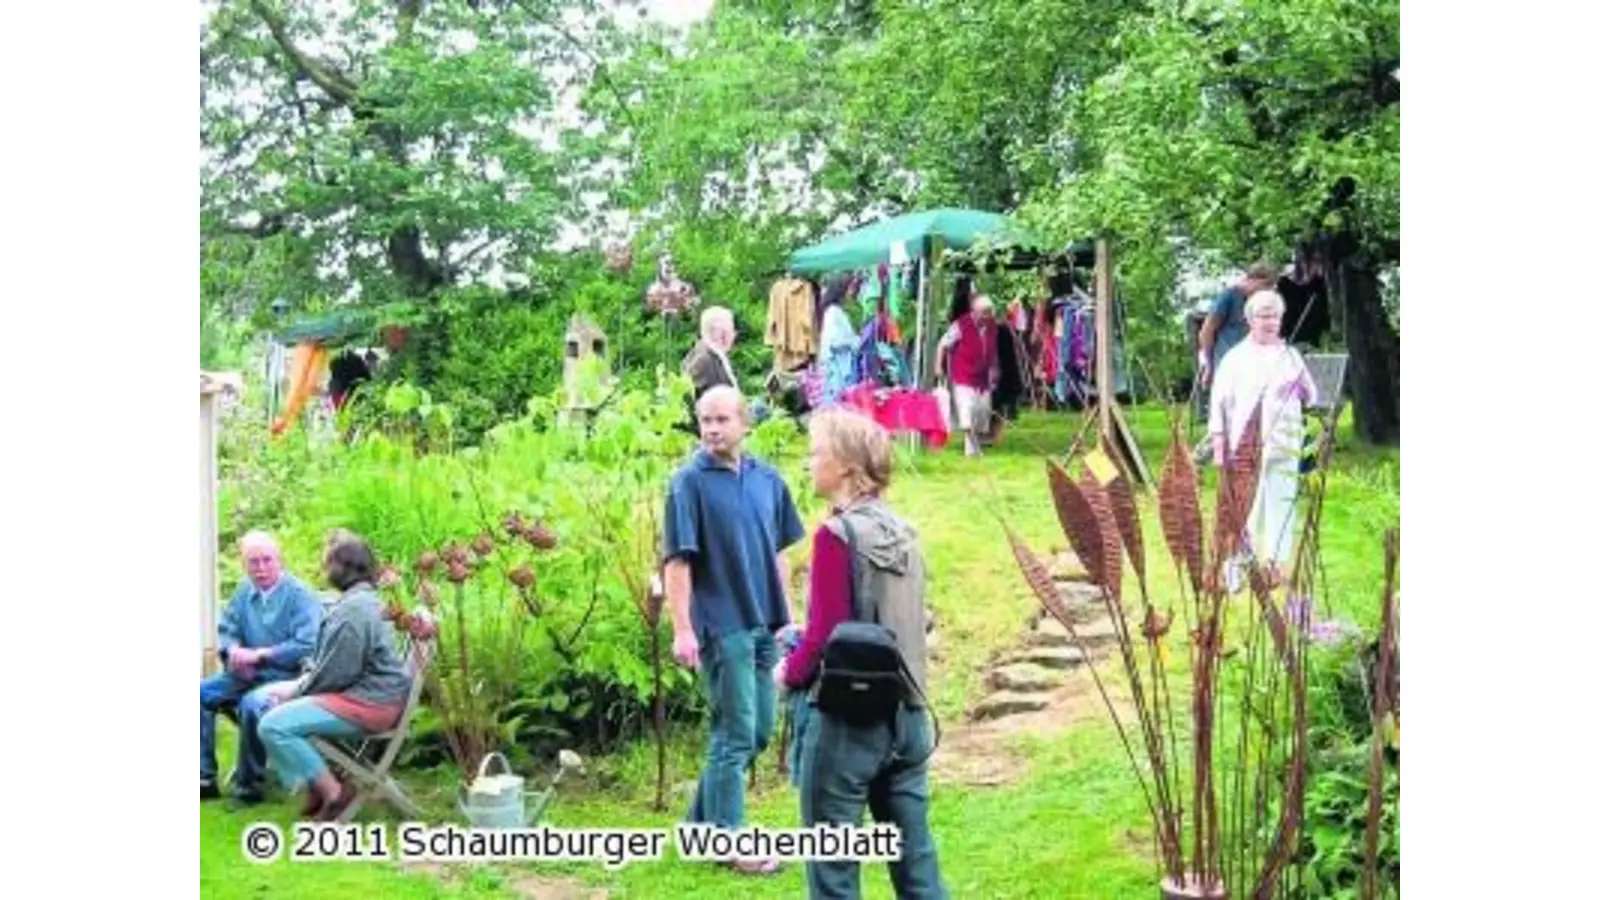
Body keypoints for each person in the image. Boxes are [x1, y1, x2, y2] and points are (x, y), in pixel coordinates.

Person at [776, 406, 947, 898]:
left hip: (850, 724)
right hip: (911, 717)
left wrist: (786, 674)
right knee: (916, 865)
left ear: (847, 466)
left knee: (833, 872)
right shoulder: (905, 532)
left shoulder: (837, 536)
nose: (809, 462)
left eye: (816, 453)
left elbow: (825, 635)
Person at [662, 385, 808, 875]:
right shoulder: (688, 483)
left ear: (745, 423)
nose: (712, 429)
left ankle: (697, 828)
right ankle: (729, 842)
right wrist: (683, 630)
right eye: (705, 420)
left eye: (722, 419)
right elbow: (677, 562)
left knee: (759, 731)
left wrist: (788, 618)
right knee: (733, 733)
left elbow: (780, 553)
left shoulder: (768, 480)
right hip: (721, 626)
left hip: (765, 624)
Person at [256, 530, 415, 821]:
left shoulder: (354, 612)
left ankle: (334, 793)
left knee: (273, 724)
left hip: (370, 705)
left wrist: (295, 691)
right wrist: (299, 688)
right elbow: (334, 670)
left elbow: (335, 674)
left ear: (343, 568)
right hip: (371, 697)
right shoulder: (366, 601)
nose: (323, 569)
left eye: (327, 563)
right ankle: (318, 783)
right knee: (278, 710)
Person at [201, 531, 322, 806]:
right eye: (253, 562)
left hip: (287, 677)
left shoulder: (300, 596)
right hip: (245, 674)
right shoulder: (244, 592)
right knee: (200, 695)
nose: (261, 568)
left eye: (267, 560)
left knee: (251, 705)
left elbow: (307, 643)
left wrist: (261, 655)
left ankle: (249, 787)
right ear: (245, 565)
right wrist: (233, 653)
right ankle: (203, 777)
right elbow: (228, 630)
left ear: (280, 561)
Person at [1208, 290, 1318, 588]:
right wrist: (1219, 441)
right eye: (1264, 316)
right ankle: (1234, 571)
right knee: (1243, 506)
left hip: (1284, 443)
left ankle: (1274, 567)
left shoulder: (1290, 355)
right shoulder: (1235, 358)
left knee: (1281, 504)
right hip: (1244, 449)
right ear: (1249, 320)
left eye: (1276, 316)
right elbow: (1217, 404)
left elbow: (1312, 394)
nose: (1271, 322)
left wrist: (1296, 388)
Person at [1194, 263, 1278, 461]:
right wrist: (1207, 364)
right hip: (1227, 366)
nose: (1266, 293)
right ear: (1253, 281)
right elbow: (1206, 331)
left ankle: (1246, 459)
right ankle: (1200, 456)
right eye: (1265, 287)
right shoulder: (1229, 297)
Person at [934, 279, 998, 457]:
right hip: (963, 375)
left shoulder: (992, 325)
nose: (988, 317)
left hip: (982, 377)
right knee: (967, 414)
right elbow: (942, 344)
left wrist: (994, 369)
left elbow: (992, 350)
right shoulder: (960, 325)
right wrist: (938, 367)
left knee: (982, 412)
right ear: (975, 312)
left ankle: (974, 445)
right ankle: (971, 451)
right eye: (985, 314)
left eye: (990, 313)